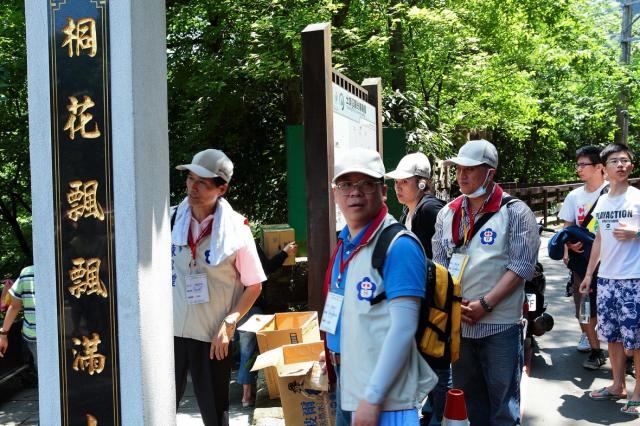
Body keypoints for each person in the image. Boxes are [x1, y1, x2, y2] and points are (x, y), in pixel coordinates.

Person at [321, 147, 436, 426]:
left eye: (365, 184)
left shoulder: (398, 246)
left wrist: (372, 398)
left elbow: (404, 327)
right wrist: (330, 350)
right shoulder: (346, 243)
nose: (354, 192)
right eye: (346, 184)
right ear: (335, 192)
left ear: (382, 191)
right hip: (350, 382)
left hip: (386, 400)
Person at [432, 139, 540, 425]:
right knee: (468, 400)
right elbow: (439, 266)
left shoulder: (515, 212)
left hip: (500, 324)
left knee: (503, 404)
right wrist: (454, 305)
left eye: (470, 169)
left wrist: (485, 304)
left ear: (490, 173)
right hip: (460, 324)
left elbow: (521, 266)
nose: (461, 176)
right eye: (458, 169)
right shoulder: (447, 213)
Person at [171, 149, 266, 426]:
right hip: (170, 334)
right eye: (190, 178)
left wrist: (229, 324)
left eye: (202, 182)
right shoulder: (171, 219)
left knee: (215, 415)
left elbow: (254, 285)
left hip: (212, 336)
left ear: (221, 188)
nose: (193, 187)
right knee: (158, 411)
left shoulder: (236, 229)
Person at [385, 152, 448, 425]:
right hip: (421, 300)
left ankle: (442, 416)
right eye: (396, 182)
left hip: (434, 303)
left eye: (404, 182)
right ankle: (433, 412)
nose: (397, 186)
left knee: (435, 361)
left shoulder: (429, 210)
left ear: (422, 183)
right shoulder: (410, 211)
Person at [580, 143, 640, 416]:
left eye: (626, 161)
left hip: (634, 279)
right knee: (613, 336)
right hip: (606, 279)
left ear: (632, 166)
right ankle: (618, 385)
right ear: (604, 167)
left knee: (636, 339)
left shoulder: (637, 198)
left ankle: (638, 392)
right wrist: (590, 274)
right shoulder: (603, 200)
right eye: (615, 160)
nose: (621, 165)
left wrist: (637, 232)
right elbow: (599, 239)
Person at [557, 145, 608, 369]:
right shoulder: (574, 196)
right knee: (584, 306)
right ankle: (595, 347)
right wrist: (567, 247)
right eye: (577, 164)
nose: (578, 169)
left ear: (599, 167)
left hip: (612, 262)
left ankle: (625, 354)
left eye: (583, 164)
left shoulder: (613, 193)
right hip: (582, 262)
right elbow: (567, 227)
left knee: (612, 308)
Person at [235, 240, 297, 407]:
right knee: (247, 351)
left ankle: (218, 394)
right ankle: (246, 396)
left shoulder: (218, 243)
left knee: (223, 351)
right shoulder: (247, 242)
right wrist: (285, 253)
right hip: (250, 306)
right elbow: (265, 269)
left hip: (227, 307)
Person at [0, 265, 37, 370]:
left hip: (34, 334)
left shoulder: (27, 272)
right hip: (67, 333)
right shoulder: (69, 269)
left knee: (44, 371)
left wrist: (3, 335)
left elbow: (14, 306)